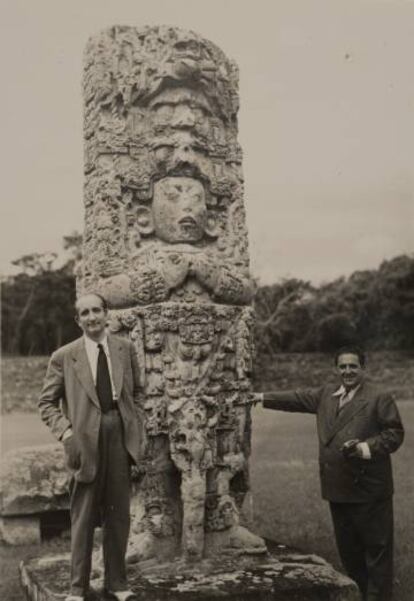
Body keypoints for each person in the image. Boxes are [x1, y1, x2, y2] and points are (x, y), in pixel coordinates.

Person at [255, 346, 404, 601]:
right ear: (336, 369)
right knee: (349, 552)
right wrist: (259, 396)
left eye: (353, 366)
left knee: (377, 552)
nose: (347, 371)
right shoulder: (326, 395)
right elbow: (295, 398)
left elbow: (394, 434)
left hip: (369, 490)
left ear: (363, 369)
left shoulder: (379, 397)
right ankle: (359, 593)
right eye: (343, 366)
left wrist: (364, 447)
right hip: (338, 489)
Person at [38, 292, 144, 601]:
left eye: (96, 310)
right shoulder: (64, 356)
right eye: (85, 313)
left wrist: (134, 429)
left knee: (119, 516)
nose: (92, 317)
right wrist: (67, 435)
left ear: (106, 313)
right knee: (82, 517)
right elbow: (47, 404)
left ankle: (118, 584)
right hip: (83, 441)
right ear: (78, 320)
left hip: (119, 437)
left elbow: (137, 394)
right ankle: (77, 589)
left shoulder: (125, 350)